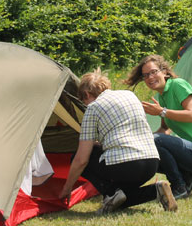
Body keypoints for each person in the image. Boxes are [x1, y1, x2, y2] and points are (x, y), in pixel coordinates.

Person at [58, 69, 177, 214]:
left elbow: (81, 159)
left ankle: (111, 193)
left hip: (125, 166)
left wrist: (67, 188)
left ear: (87, 95)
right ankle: (155, 190)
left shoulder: (93, 108)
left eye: (83, 100)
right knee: (122, 197)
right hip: (151, 162)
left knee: (81, 158)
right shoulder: (130, 95)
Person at [124, 54, 192, 199]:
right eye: (145, 75)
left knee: (157, 140)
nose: (150, 78)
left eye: (153, 72)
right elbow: (165, 130)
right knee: (150, 147)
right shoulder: (162, 96)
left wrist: (161, 111)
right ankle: (189, 179)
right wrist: (143, 142)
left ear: (164, 71)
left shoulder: (178, 85)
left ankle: (178, 186)